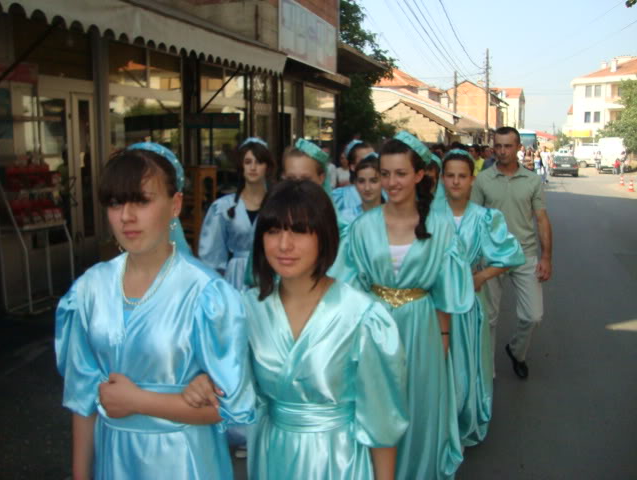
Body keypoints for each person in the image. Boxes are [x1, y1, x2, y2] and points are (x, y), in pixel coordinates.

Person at [184, 179, 409, 479]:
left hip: (338, 461)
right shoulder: (248, 308)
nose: (284, 245)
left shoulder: (361, 316)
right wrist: (203, 381)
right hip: (272, 456)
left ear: (325, 236)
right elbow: (232, 385)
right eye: (273, 230)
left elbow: (382, 423)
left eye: (300, 231)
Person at [55, 143, 255, 479]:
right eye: (116, 202)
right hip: (114, 460)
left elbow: (231, 406)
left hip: (185, 462)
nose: (126, 216)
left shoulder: (207, 294)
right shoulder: (89, 290)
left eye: (142, 201)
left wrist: (137, 401)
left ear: (175, 204)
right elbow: (82, 399)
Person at [346, 131, 475, 480]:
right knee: (374, 405)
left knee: (418, 405)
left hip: (422, 327)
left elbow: (446, 290)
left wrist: (444, 335)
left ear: (419, 175)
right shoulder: (361, 227)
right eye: (385, 173)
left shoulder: (441, 226)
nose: (391, 182)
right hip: (372, 327)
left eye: (400, 173)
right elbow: (349, 286)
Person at [441, 149, 525, 446]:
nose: (455, 181)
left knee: (465, 365)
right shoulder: (426, 215)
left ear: (472, 180)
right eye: (449, 175)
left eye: (462, 176)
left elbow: (511, 254)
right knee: (437, 365)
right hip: (432, 305)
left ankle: (463, 418)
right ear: (441, 178)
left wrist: (481, 276)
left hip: (466, 304)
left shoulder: (486, 217)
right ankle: (436, 423)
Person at [471, 126, 553, 380]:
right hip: (491, 257)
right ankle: (487, 369)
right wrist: (473, 262)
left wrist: (546, 257)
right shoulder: (483, 181)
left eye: (508, 146)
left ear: (518, 148)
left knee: (533, 315)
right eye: (499, 145)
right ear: (493, 148)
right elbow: (473, 221)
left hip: (524, 254)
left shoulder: (531, 180)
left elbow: (541, 219)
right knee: (489, 319)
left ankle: (517, 352)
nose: (503, 150)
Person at [199, 137, 274, 291]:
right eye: (248, 162)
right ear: (241, 166)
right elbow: (211, 257)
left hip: (270, 276)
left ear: (267, 167)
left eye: (259, 162)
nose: (253, 167)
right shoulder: (222, 207)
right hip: (235, 281)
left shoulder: (277, 205)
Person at [332, 140, 375, 214]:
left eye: (373, 159)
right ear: (353, 166)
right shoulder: (340, 197)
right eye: (364, 161)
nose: (370, 164)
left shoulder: (387, 193)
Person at [339, 153, 383, 224]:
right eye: (361, 181)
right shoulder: (345, 218)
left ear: (383, 182)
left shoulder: (394, 217)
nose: (367, 188)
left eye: (373, 181)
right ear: (355, 183)